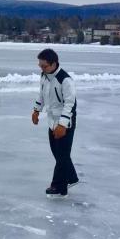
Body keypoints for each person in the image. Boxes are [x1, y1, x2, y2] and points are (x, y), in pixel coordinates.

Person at [32, 48, 79, 199]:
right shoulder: (44, 76)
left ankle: (59, 187)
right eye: (40, 66)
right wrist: (36, 110)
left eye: (44, 66)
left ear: (54, 64)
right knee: (58, 153)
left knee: (62, 156)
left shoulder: (65, 80)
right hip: (52, 121)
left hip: (65, 123)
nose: (42, 68)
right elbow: (42, 94)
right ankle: (71, 178)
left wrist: (62, 125)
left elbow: (70, 104)